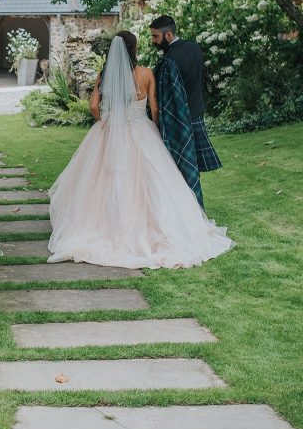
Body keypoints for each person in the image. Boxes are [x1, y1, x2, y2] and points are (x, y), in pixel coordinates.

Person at [47, 32, 232, 269]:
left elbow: (94, 105)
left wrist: (104, 120)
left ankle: (107, 227)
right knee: (153, 180)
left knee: (106, 179)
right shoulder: (146, 74)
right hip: (139, 128)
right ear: (134, 49)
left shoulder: (105, 75)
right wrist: (154, 130)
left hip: (110, 129)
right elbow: (154, 110)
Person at [149, 15, 222, 207]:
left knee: (178, 165)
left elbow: (164, 96)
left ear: (168, 34)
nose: (153, 41)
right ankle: (192, 205)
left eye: (156, 37)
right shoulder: (195, 48)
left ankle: (184, 208)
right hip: (196, 112)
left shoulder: (169, 61)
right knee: (191, 165)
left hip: (176, 118)